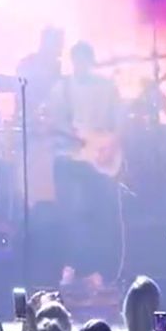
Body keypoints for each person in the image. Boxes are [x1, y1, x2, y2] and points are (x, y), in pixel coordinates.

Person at [45, 41, 124, 281]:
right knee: (71, 215)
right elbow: (54, 123)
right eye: (77, 60)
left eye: (85, 60)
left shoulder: (107, 87)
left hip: (100, 158)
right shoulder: (61, 89)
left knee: (100, 216)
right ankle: (71, 267)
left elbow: (121, 121)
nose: (81, 65)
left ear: (91, 61)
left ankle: (98, 271)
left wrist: (110, 145)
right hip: (69, 158)